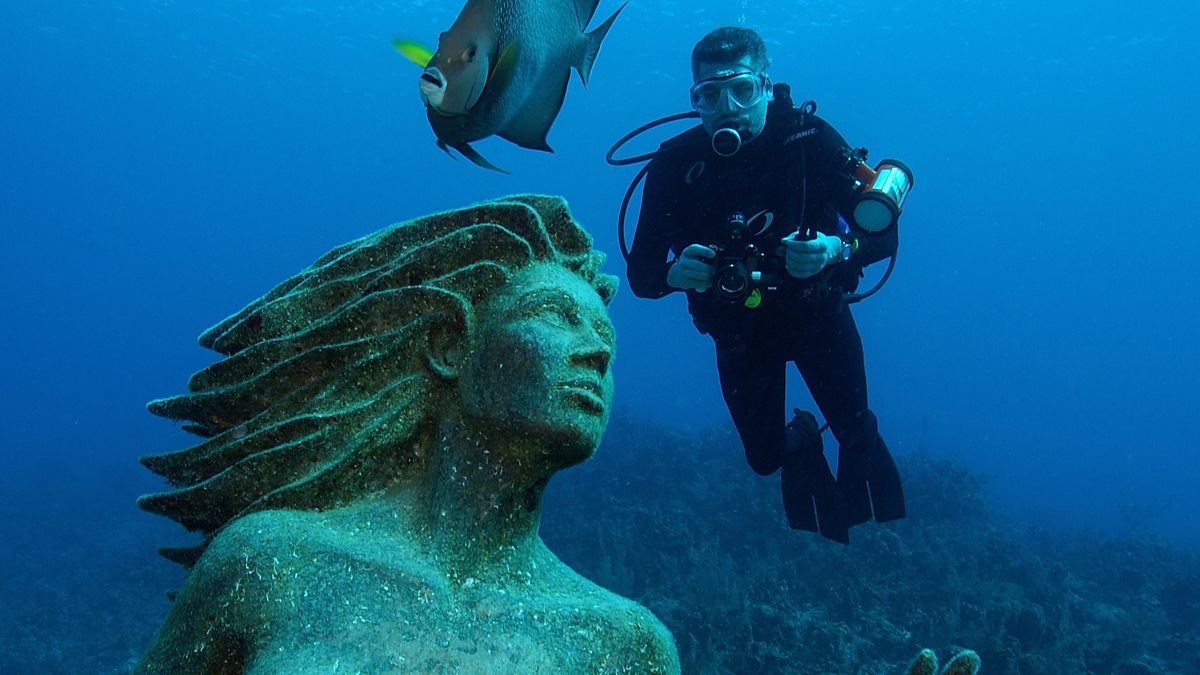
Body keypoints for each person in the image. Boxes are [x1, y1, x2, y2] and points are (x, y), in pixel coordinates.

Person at [135, 195, 680, 674]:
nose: (598, 351)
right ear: (448, 347)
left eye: (605, 335)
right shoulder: (268, 562)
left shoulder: (626, 645)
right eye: (555, 316)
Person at [626, 27, 906, 544]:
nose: (726, 106)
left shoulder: (809, 140)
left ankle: (857, 482)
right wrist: (671, 275)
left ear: (765, 84)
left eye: (741, 90)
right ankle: (801, 439)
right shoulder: (673, 164)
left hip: (818, 317)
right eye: (708, 94)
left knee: (855, 431)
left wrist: (835, 249)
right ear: (694, 100)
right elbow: (640, 275)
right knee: (762, 461)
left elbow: (884, 237)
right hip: (739, 336)